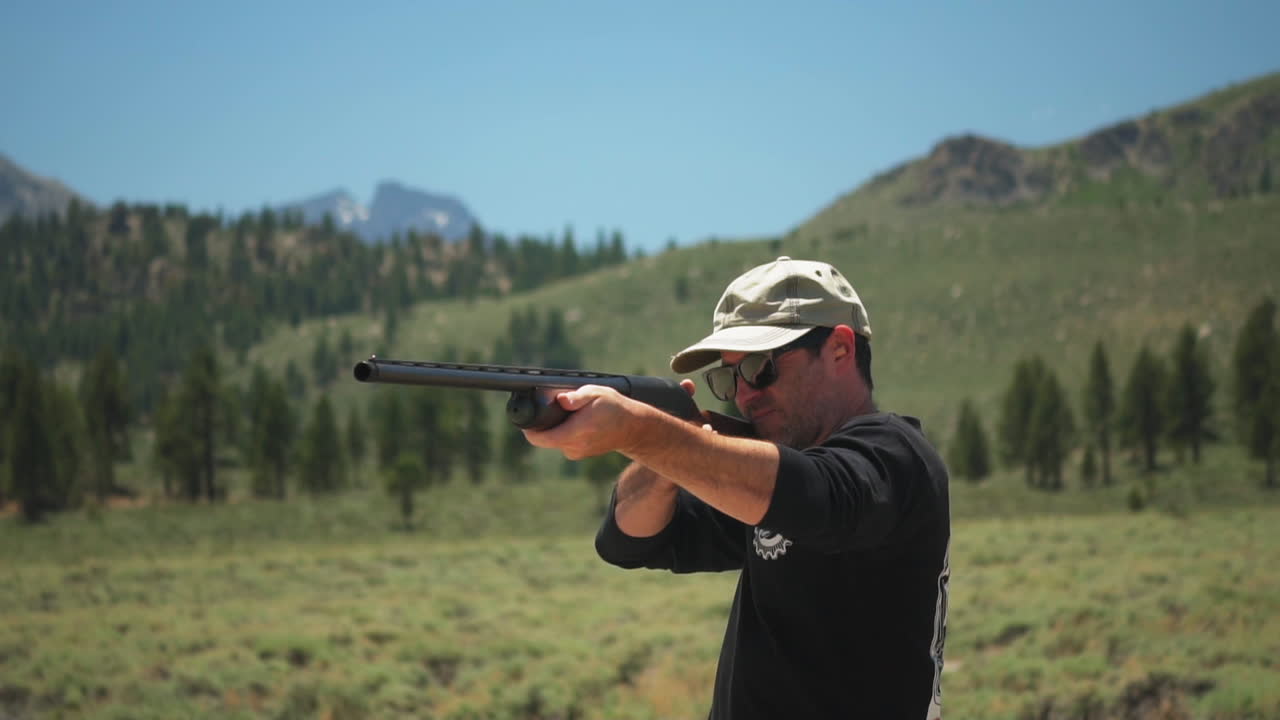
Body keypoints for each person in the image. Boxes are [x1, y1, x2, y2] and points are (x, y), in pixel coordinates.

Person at [523, 256, 951, 719]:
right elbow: (628, 540)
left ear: (839, 350)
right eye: (729, 377)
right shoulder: (763, 480)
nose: (744, 395)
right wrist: (667, 451)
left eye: (760, 367)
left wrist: (644, 433)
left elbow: (814, 495)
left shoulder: (895, 455)